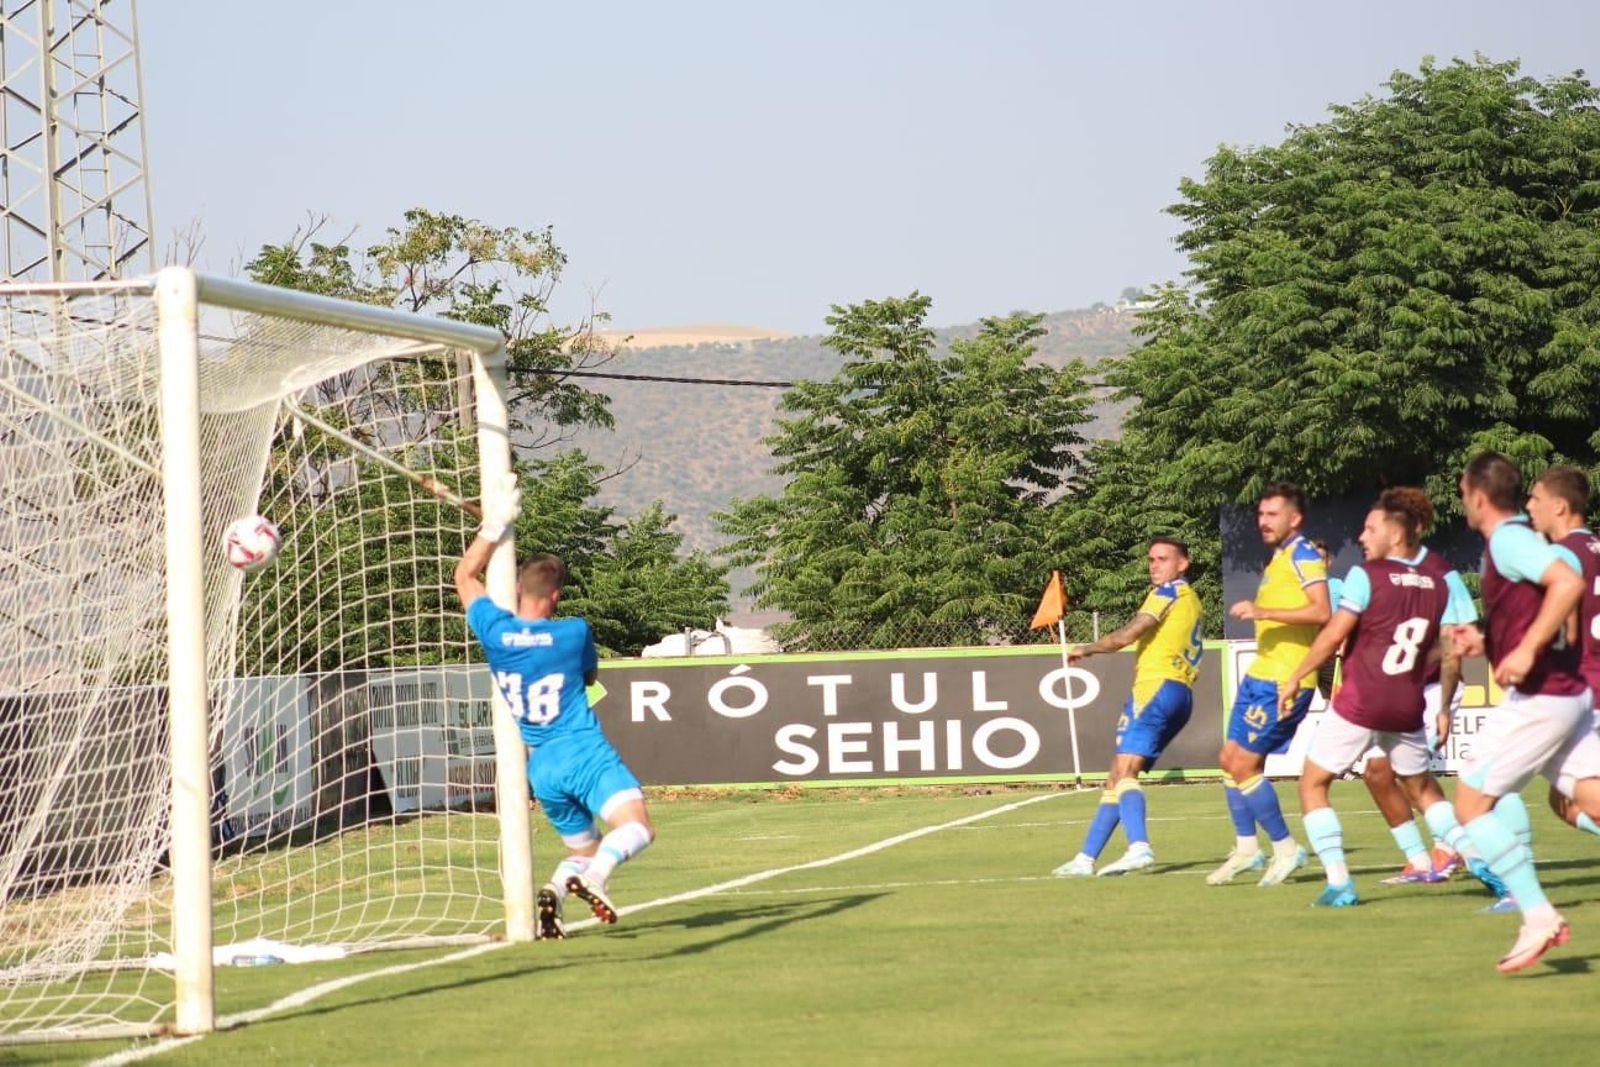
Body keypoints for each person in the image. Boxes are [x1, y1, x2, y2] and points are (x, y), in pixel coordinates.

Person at [454, 474, 655, 940]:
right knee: (638, 828)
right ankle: (595, 880)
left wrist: (493, 526)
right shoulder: (574, 632)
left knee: (584, 848)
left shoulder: (495, 631)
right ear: (556, 596)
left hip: (540, 767)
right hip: (581, 748)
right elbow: (589, 677)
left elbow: (464, 576)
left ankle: (555, 894)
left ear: (518, 589)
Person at [1278, 488, 1479, 906]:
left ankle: (1343, 881)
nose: (1363, 536)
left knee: (1315, 783)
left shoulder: (1375, 576)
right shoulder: (1437, 576)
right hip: (1407, 694)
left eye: (1370, 528)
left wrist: (1297, 675)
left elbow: (1451, 647)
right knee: (1387, 776)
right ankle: (1439, 859)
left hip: (1397, 689)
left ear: (1399, 530)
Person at [1451, 451, 1600, 972]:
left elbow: (1569, 585)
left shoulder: (1511, 538)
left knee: (1471, 804)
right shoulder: (1524, 539)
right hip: (1569, 690)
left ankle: (1538, 915)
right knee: (1590, 800)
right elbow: (1565, 616)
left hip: (1544, 696)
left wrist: (1526, 650)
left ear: (1476, 494)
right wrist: (1491, 640)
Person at [1053, 537, 1203, 877]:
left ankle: (1139, 846)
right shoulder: (1192, 599)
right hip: (1181, 694)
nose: (1154, 565)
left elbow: (1128, 635)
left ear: (1183, 564)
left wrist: (1088, 648)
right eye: (1151, 559)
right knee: (1117, 775)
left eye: (1163, 559)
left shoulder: (1167, 593)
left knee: (1126, 770)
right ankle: (1085, 859)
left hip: (1156, 689)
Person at [1207, 482, 1326, 887]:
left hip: (1286, 678)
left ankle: (1287, 849)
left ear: (1295, 518)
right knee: (1231, 759)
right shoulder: (1280, 558)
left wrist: (1262, 609)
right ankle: (1246, 849)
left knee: (1242, 763)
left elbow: (1322, 611)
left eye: (1272, 514)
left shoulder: (1305, 555)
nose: (1263, 521)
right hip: (1260, 673)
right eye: (1260, 514)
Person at [1524, 465, 1600, 836]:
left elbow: (1559, 625)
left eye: (1535, 498)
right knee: (1561, 798)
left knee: (1497, 780)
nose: (1529, 507)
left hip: (1584, 690)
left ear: (1559, 506)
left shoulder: (1562, 558)